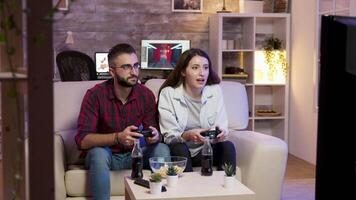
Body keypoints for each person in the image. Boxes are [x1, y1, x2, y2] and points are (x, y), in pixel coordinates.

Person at [75, 43, 170, 200]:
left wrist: (154, 135)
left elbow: (153, 131)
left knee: (162, 149)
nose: (134, 72)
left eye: (136, 66)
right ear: (112, 72)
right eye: (126, 67)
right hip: (107, 155)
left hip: (136, 154)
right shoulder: (95, 95)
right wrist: (117, 137)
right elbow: (82, 140)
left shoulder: (145, 95)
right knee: (98, 154)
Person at [158, 48, 236, 172]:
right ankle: (188, 189)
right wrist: (187, 136)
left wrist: (220, 133)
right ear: (183, 71)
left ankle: (229, 186)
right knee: (179, 148)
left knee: (228, 146)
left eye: (206, 68)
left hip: (206, 150)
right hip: (181, 150)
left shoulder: (215, 91)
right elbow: (169, 136)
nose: (202, 73)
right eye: (195, 68)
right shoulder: (168, 93)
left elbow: (222, 125)